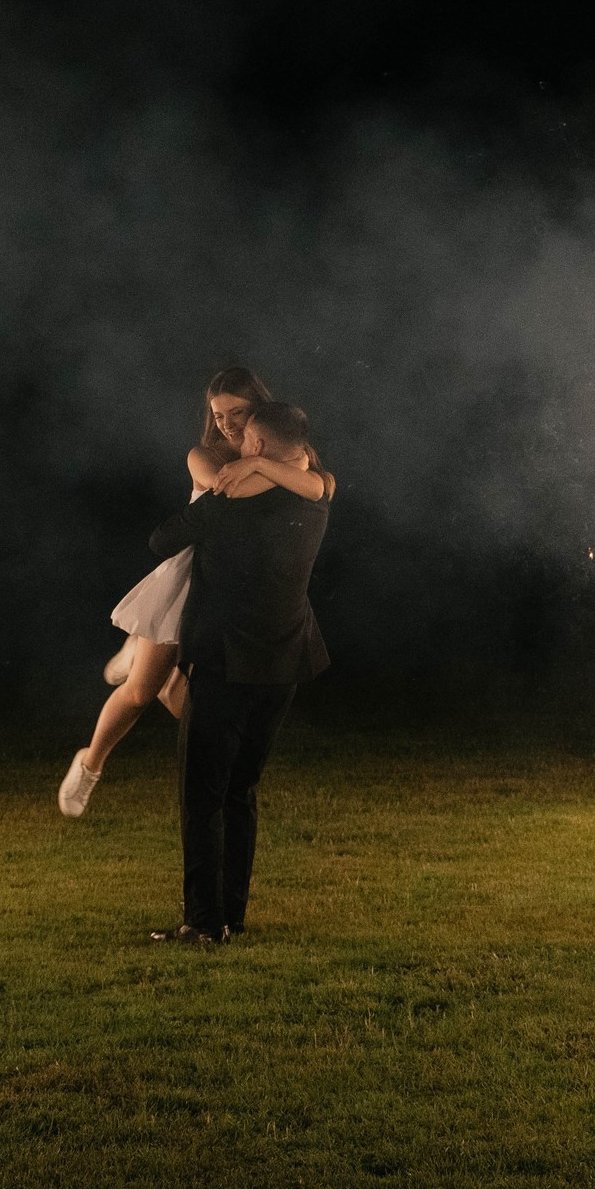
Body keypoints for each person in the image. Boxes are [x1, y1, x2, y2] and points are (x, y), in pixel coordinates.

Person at [58, 368, 331, 817]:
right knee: (140, 692)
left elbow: (323, 487)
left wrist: (268, 463)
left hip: (226, 585)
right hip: (186, 578)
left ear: (259, 410)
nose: (226, 423)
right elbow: (236, 490)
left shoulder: (271, 455)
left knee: (187, 703)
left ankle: (144, 656)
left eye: (237, 413)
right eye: (218, 414)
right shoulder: (204, 455)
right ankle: (90, 763)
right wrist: (288, 469)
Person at [141, 399, 330, 943]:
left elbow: (161, 541)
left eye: (245, 437)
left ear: (258, 446)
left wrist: (219, 489)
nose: (237, 442)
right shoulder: (316, 503)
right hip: (285, 664)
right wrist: (265, 470)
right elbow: (316, 480)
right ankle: (233, 918)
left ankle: (202, 923)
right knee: (241, 791)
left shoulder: (230, 504)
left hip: (225, 664)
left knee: (201, 797)